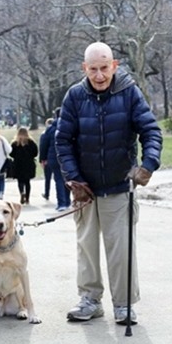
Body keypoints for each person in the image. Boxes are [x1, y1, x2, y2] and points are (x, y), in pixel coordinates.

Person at [55, 42, 162, 325]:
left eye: (104, 68)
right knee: (86, 247)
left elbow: (151, 131)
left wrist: (148, 164)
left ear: (114, 65)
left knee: (121, 249)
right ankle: (90, 300)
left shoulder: (129, 93)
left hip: (119, 186)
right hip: (85, 190)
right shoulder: (75, 96)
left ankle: (124, 304)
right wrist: (73, 178)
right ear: (85, 68)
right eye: (93, 69)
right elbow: (62, 140)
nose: (100, 75)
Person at [40, 108, 71, 211]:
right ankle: (67, 200)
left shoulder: (50, 129)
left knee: (58, 179)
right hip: (68, 156)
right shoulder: (70, 126)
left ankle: (61, 203)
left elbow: (44, 144)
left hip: (53, 157)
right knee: (67, 178)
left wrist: (43, 158)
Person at [10, 127, 38, 205]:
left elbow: (11, 154)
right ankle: (28, 198)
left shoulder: (14, 143)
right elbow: (35, 153)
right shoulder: (31, 142)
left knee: (20, 181)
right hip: (28, 164)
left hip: (18, 164)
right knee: (27, 182)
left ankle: (22, 192)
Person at [39, 117, 54, 200]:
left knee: (47, 178)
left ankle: (47, 193)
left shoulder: (44, 134)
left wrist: (42, 159)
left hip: (48, 158)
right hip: (56, 158)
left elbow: (42, 147)